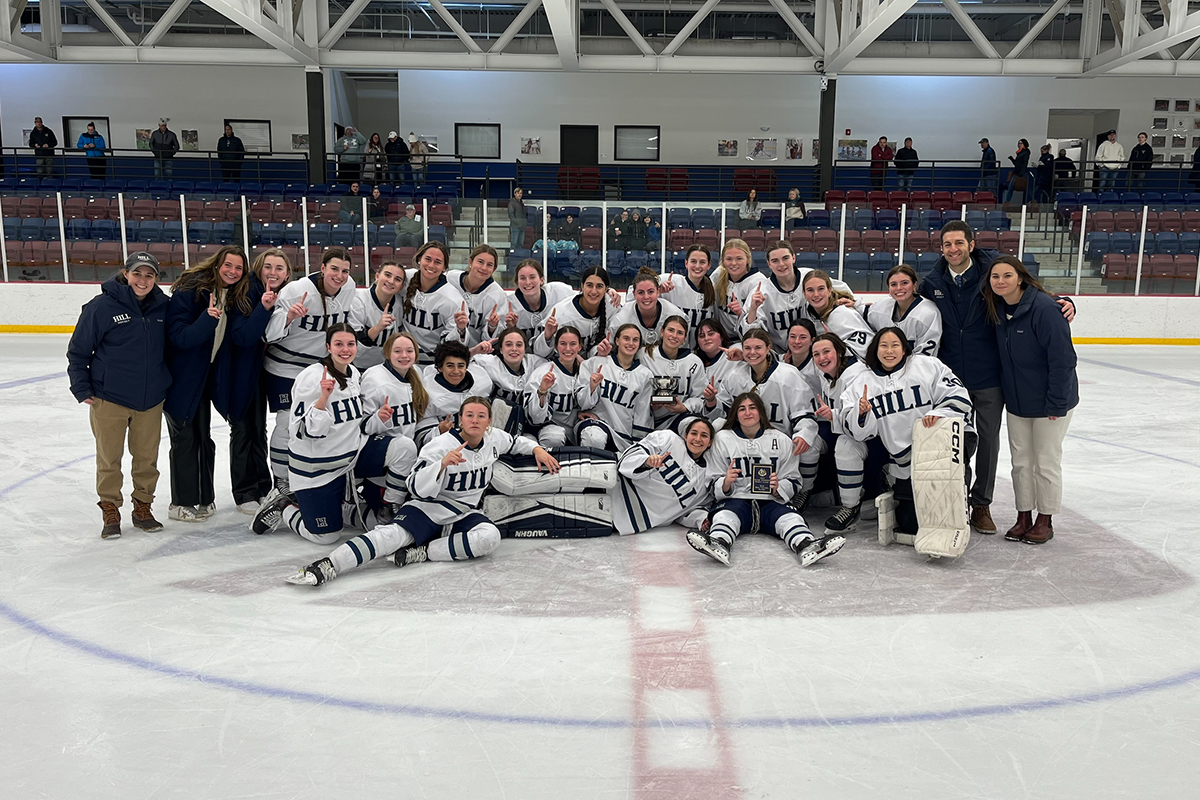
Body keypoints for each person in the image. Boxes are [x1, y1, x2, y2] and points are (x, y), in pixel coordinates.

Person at [285, 396, 559, 586]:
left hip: (463, 514)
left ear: (489, 422)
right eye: (469, 415)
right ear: (460, 420)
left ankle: (422, 552)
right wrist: (440, 466)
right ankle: (329, 565)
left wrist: (536, 449)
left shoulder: (493, 439)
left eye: (481, 416)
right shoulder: (438, 446)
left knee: (490, 538)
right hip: (427, 509)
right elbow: (415, 487)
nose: (475, 420)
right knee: (389, 537)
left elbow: (514, 442)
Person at [920, 219, 1075, 536]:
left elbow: (1029, 292)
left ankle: (981, 505)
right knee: (954, 443)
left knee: (989, 443)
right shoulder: (932, 281)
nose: (953, 249)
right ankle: (955, 500)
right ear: (941, 248)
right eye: (947, 244)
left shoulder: (992, 272)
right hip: (950, 380)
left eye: (959, 243)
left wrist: (1065, 301)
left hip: (990, 376)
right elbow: (906, 306)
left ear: (971, 244)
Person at [251, 324, 412, 543]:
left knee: (404, 448)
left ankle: (388, 507)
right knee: (326, 537)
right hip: (318, 469)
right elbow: (303, 432)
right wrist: (322, 400)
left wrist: (377, 419)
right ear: (328, 347)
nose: (345, 349)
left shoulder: (353, 373)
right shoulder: (312, 378)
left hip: (352, 457)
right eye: (338, 344)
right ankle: (285, 507)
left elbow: (357, 424)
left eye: (350, 344)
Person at [67, 252, 171, 539]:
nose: (143, 280)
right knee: (109, 458)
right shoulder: (101, 307)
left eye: (149, 275)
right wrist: (82, 388)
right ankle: (110, 507)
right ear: (126, 274)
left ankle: (143, 506)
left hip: (150, 399)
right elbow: (78, 351)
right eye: (137, 273)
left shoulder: (163, 307)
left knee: (147, 458)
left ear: (155, 279)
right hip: (109, 397)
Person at [838, 328, 974, 536]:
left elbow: (958, 394)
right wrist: (861, 413)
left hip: (944, 444)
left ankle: (960, 493)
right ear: (875, 350)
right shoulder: (862, 382)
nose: (889, 351)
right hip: (906, 460)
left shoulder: (926, 366)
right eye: (884, 345)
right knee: (911, 524)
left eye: (895, 345)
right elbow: (856, 429)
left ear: (904, 349)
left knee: (946, 508)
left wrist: (940, 414)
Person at [983, 256, 1079, 546]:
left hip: (1050, 402)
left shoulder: (1045, 309)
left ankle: (1045, 519)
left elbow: (1063, 360)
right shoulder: (998, 307)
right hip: (1017, 401)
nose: (1000, 281)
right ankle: (1023, 515)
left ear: (1021, 278)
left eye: (1007, 276)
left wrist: (1057, 403)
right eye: (995, 276)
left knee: (1046, 462)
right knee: (1020, 462)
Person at [687, 392, 844, 567]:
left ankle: (806, 545)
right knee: (724, 517)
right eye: (742, 409)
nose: (747, 413)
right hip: (736, 500)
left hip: (771, 501)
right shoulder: (722, 439)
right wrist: (725, 482)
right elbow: (711, 479)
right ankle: (719, 542)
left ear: (761, 411)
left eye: (752, 408)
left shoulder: (781, 439)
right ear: (735, 414)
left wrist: (778, 487)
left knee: (790, 518)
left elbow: (794, 480)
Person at [163, 245, 254, 521]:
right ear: (216, 264)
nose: (233, 271)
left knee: (203, 437)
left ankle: (204, 499)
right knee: (185, 438)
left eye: (239, 268)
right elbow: (180, 338)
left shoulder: (231, 296)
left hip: (204, 378)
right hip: (182, 378)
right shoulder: (190, 291)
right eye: (229, 265)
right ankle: (181, 503)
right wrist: (207, 319)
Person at [262, 247, 359, 490]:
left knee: (322, 421)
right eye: (334, 269)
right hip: (285, 368)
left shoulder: (349, 288)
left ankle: (314, 477)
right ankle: (282, 481)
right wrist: (288, 317)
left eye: (345, 271)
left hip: (319, 370)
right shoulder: (296, 290)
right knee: (287, 423)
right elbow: (268, 334)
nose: (339, 275)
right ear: (322, 267)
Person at [708, 329, 821, 502]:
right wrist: (711, 401)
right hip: (745, 437)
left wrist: (803, 434)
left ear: (769, 348)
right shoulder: (734, 375)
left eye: (758, 348)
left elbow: (804, 414)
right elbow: (725, 410)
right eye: (747, 348)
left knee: (807, 444)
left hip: (780, 440)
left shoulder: (788, 375)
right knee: (715, 427)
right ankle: (719, 487)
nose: (752, 353)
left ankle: (803, 492)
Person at [232, 248, 293, 513]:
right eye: (268, 267)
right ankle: (245, 490)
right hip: (240, 370)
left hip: (263, 370)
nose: (273, 272)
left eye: (279, 268)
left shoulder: (286, 296)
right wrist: (264, 307)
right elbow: (245, 337)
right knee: (244, 428)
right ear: (258, 269)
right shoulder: (247, 293)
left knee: (258, 429)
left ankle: (261, 485)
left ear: (288, 273)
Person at [358, 331, 428, 519]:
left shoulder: (416, 374)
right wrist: (379, 418)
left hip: (398, 457)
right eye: (398, 351)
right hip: (371, 451)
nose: (404, 356)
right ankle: (390, 503)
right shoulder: (375, 377)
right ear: (388, 353)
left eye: (409, 351)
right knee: (405, 447)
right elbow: (362, 426)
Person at [611, 418, 718, 535]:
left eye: (704, 435)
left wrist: (702, 520)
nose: (697, 439)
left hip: (628, 521)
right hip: (613, 487)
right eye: (694, 433)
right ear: (686, 436)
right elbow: (628, 457)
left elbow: (684, 513)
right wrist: (646, 462)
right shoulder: (668, 439)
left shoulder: (705, 479)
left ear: (710, 442)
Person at [577, 324, 655, 452]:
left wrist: (638, 446)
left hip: (623, 436)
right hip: (596, 425)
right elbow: (582, 403)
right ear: (617, 341)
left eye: (635, 340)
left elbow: (642, 413)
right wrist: (591, 388)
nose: (630, 343)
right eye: (626, 338)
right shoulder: (595, 363)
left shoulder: (645, 375)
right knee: (594, 437)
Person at [416, 341, 495, 447]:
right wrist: (438, 431)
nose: (456, 371)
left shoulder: (481, 379)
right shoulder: (427, 392)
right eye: (450, 366)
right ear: (440, 367)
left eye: (461, 365)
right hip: (446, 447)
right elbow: (420, 437)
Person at [400, 241, 465, 364]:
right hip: (402, 356)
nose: (431, 265)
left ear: (444, 267)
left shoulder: (453, 299)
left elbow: (453, 344)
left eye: (438, 262)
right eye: (428, 259)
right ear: (419, 259)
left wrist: (460, 329)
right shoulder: (405, 278)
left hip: (432, 362)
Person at [471, 327, 545, 436]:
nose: (514, 349)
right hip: (498, 424)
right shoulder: (489, 362)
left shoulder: (535, 363)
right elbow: (459, 360)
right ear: (500, 349)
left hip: (529, 422)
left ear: (525, 349)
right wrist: (475, 351)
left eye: (519, 345)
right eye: (508, 345)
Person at [537, 265, 620, 357]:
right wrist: (547, 336)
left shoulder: (612, 305)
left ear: (606, 288)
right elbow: (539, 353)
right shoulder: (561, 314)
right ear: (582, 286)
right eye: (589, 285)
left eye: (599, 286)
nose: (593, 291)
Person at [641, 315, 706, 432]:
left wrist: (684, 407)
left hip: (679, 418)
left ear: (685, 338)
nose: (674, 336)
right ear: (662, 332)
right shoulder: (645, 354)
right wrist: (651, 403)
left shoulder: (694, 362)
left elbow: (700, 398)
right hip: (647, 419)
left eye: (680, 333)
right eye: (671, 330)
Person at [527, 326, 587, 448]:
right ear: (555, 346)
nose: (568, 348)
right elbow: (534, 418)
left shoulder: (584, 372)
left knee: (594, 435)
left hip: (574, 428)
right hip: (547, 428)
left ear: (580, 347)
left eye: (573, 344)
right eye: (563, 344)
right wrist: (542, 391)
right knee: (554, 437)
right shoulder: (543, 372)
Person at [866, 264, 941, 357]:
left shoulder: (928, 313)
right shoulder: (881, 307)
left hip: (917, 370)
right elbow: (865, 315)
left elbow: (926, 356)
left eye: (904, 283)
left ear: (914, 285)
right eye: (893, 284)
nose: (899, 288)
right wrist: (854, 304)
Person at [802, 269, 874, 359]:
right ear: (804, 294)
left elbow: (867, 348)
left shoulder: (843, 313)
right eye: (810, 290)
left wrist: (836, 345)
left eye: (821, 289)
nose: (816, 294)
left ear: (829, 290)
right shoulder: (807, 314)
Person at [446, 244, 508, 346]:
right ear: (470, 262)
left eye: (489, 265)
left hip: (479, 354)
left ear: (494, 269)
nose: (484, 268)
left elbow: (493, 340)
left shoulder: (498, 295)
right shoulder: (450, 279)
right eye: (480, 262)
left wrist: (492, 327)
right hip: (445, 348)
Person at [656, 245, 717, 348]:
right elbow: (635, 291)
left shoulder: (714, 290)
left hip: (700, 352)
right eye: (693, 261)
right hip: (670, 350)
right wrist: (658, 290)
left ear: (709, 265)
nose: (697, 266)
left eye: (702, 262)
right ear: (686, 263)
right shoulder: (670, 281)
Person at [608, 267, 685, 348]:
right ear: (634, 294)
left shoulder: (675, 314)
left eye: (650, 292)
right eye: (641, 292)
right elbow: (610, 350)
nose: (646, 297)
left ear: (658, 292)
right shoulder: (620, 320)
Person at [349, 260, 406, 369]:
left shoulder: (400, 303)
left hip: (387, 369)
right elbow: (354, 349)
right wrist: (378, 328)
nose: (391, 281)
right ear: (377, 276)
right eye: (387, 275)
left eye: (397, 279)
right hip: (357, 367)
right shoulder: (358, 300)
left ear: (401, 286)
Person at [504, 259, 574, 347]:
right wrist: (510, 327)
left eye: (532, 277)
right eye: (522, 278)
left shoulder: (559, 291)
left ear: (542, 280)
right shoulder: (508, 304)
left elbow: (581, 300)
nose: (528, 282)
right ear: (517, 282)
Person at [712, 238, 765, 336]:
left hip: (745, 339)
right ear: (723, 260)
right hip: (721, 338)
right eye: (729, 259)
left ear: (748, 259)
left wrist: (740, 313)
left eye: (739, 258)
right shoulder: (718, 275)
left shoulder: (757, 281)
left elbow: (755, 326)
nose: (733, 263)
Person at [1004, 139, 1031, 205]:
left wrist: (1021, 172)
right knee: (1012, 187)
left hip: (1021, 173)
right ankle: (1007, 202)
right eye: (1019, 143)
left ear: (1024, 144)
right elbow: (1017, 163)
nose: (1019, 145)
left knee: (1023, 188)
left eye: (1021, 143)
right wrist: (1012, 159)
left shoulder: (1025, 152)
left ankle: (1008, 202)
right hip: (1018, 172)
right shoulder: (1020, 152)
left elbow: (1024, 163)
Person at [508, 187, 527, 251]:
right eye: (518, 193)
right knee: (514, 243)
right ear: (515, 194)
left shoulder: (521, 203)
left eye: (521, 193)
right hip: (515, 226)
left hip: (522, 226)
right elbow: (511, 215)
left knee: (520, 243)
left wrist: (524, 223)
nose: (520, 195)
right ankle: (512, 256)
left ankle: (519, 255)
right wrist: (517, 222)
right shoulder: (512, 203)